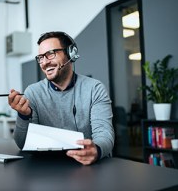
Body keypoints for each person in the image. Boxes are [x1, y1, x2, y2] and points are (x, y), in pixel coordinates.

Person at [8, 31, 114, 165]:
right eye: (40, 57)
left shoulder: (95, 89)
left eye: (50, 54)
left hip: (87, 166)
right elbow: (23, 144)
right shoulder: (33, 92)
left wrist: (96, 150)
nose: (44, 62)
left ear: (70, 53)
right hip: (48, 168)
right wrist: (24, 116)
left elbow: (104, 134)